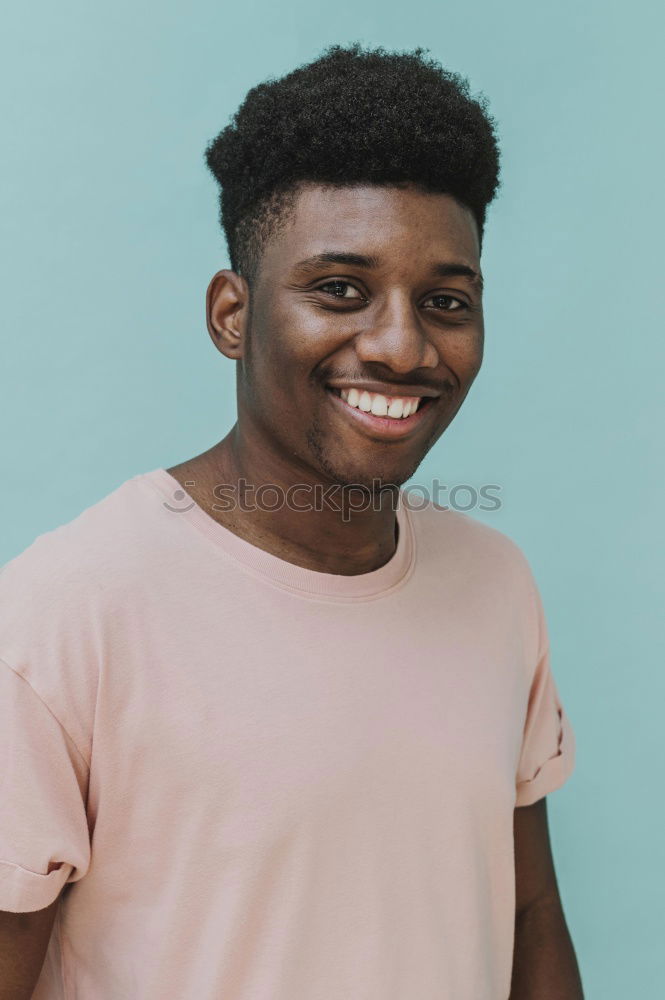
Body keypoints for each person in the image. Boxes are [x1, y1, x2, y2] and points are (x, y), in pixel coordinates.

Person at [0, 41, 583, 1000]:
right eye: (339, 290)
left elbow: (529, 917)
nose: (401, 346)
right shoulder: (65, 615)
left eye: (445, 301)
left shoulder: (495, 582)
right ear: (232, 314)